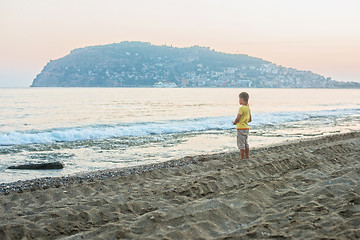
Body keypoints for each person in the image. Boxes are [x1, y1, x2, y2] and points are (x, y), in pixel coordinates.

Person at [232, 92, 252, 160]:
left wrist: (235, 122)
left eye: (239, 99)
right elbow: (250, 119)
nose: (239, 101)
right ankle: (247, 156)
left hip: (240, 128)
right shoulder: (248, 108)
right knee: (246, 142)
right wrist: (245, 121)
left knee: (241, 143)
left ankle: (242, 158)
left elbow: (238, 117)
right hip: (246, 127)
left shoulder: (241, 108)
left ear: (242, 99)